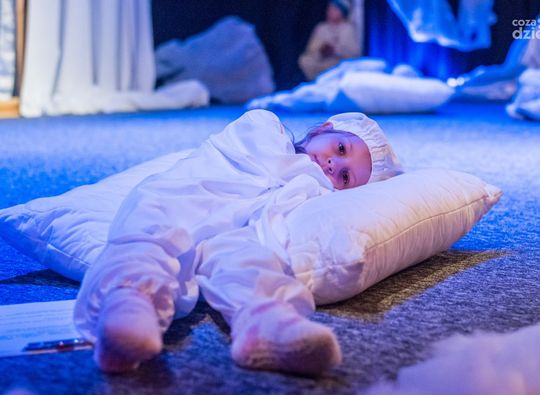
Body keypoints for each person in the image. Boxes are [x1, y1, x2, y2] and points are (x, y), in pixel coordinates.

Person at [74, 109, 402, 376]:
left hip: (241, 223)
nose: (333, 164)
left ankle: (267, 322)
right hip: (191, 197)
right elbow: (239, 155)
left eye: (344, 176)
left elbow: (278, 216)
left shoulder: (314, 190)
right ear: (324, 129)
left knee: (251, 256)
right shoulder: (265, 126)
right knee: (153, 226)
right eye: (341, 149)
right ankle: (130, 302)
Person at [298, 0, 361, 81]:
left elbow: (354, 52)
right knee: (305, 60)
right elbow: (311, 48)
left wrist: (334, 50)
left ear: (342, 12)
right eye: (329, 9)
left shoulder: (348, 29)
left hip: (337, 61)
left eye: (334, 9)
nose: (330, 12)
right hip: (321, 59)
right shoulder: (321, 27)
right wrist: (321, 49)